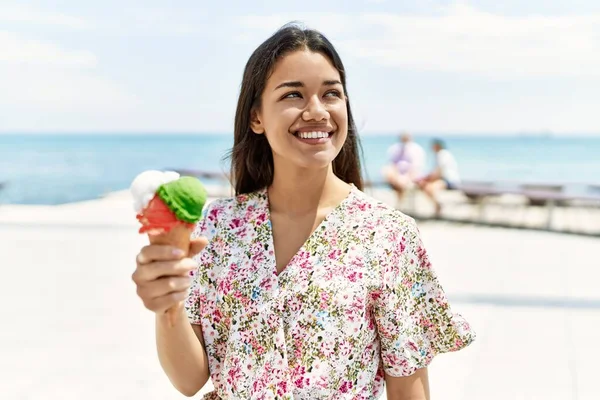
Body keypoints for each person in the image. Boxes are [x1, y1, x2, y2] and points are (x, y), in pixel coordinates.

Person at [131, 24, 474, 400]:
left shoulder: (388, 235)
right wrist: (167, 310)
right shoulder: (218, 226)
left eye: (331, 94)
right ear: (256, 117)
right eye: (293, 94)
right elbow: (189, 379)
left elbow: (409, 391)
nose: (316, 111)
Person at [417, 139, 461, 217]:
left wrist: (426, 179)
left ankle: (438, 206)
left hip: (449, 180)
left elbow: (438, 172)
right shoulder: (441, 154)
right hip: (445, 179)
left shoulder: (442, 154)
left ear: (437, 146)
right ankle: (437, 205)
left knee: (429, 188)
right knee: (427, 187)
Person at [382, 132, 426, 199]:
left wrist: (407, 177)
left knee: (402, 181)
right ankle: (400, 189)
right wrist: (396, 175)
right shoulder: (395, 148)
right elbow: (392, 164)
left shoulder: (416, 149)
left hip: (410, 175)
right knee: (387, 171)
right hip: (397, 175)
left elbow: (416, 167)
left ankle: (400, 194)